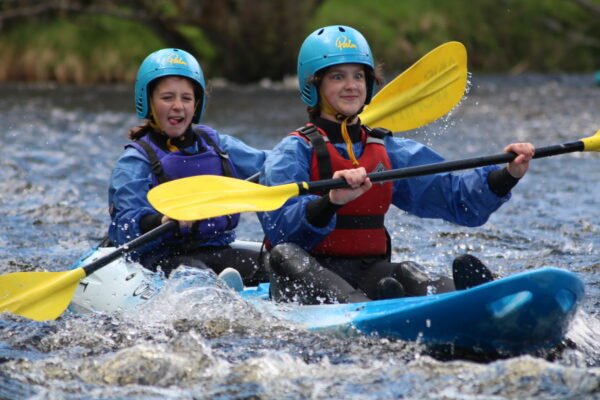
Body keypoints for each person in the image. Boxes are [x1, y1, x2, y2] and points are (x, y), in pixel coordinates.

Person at [258, 25, 535, 304]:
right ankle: (365, 308)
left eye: (358, 76)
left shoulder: (388, 150)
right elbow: (281, 228)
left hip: (368, 271)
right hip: (306, 279)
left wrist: (507, 175)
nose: (351, 85)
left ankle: (474, 300)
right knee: (285, 255)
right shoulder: (293, 152)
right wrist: (331, 201)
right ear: (313, 86)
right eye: (338, 77)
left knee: (407, 273)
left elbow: (457, 198)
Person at [108, 48, 268, 285]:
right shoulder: (136, 161)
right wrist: (162, 219)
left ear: (196, 105)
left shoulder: (217, 145)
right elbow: (124, 225)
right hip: (159, 257)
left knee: (272, 265)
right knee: (196, 274)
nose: (178, 106)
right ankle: (223, 298)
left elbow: (271, 166)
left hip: (215, 248)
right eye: (167, 97)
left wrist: (308, 162)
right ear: (149, 101)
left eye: (186, 98)